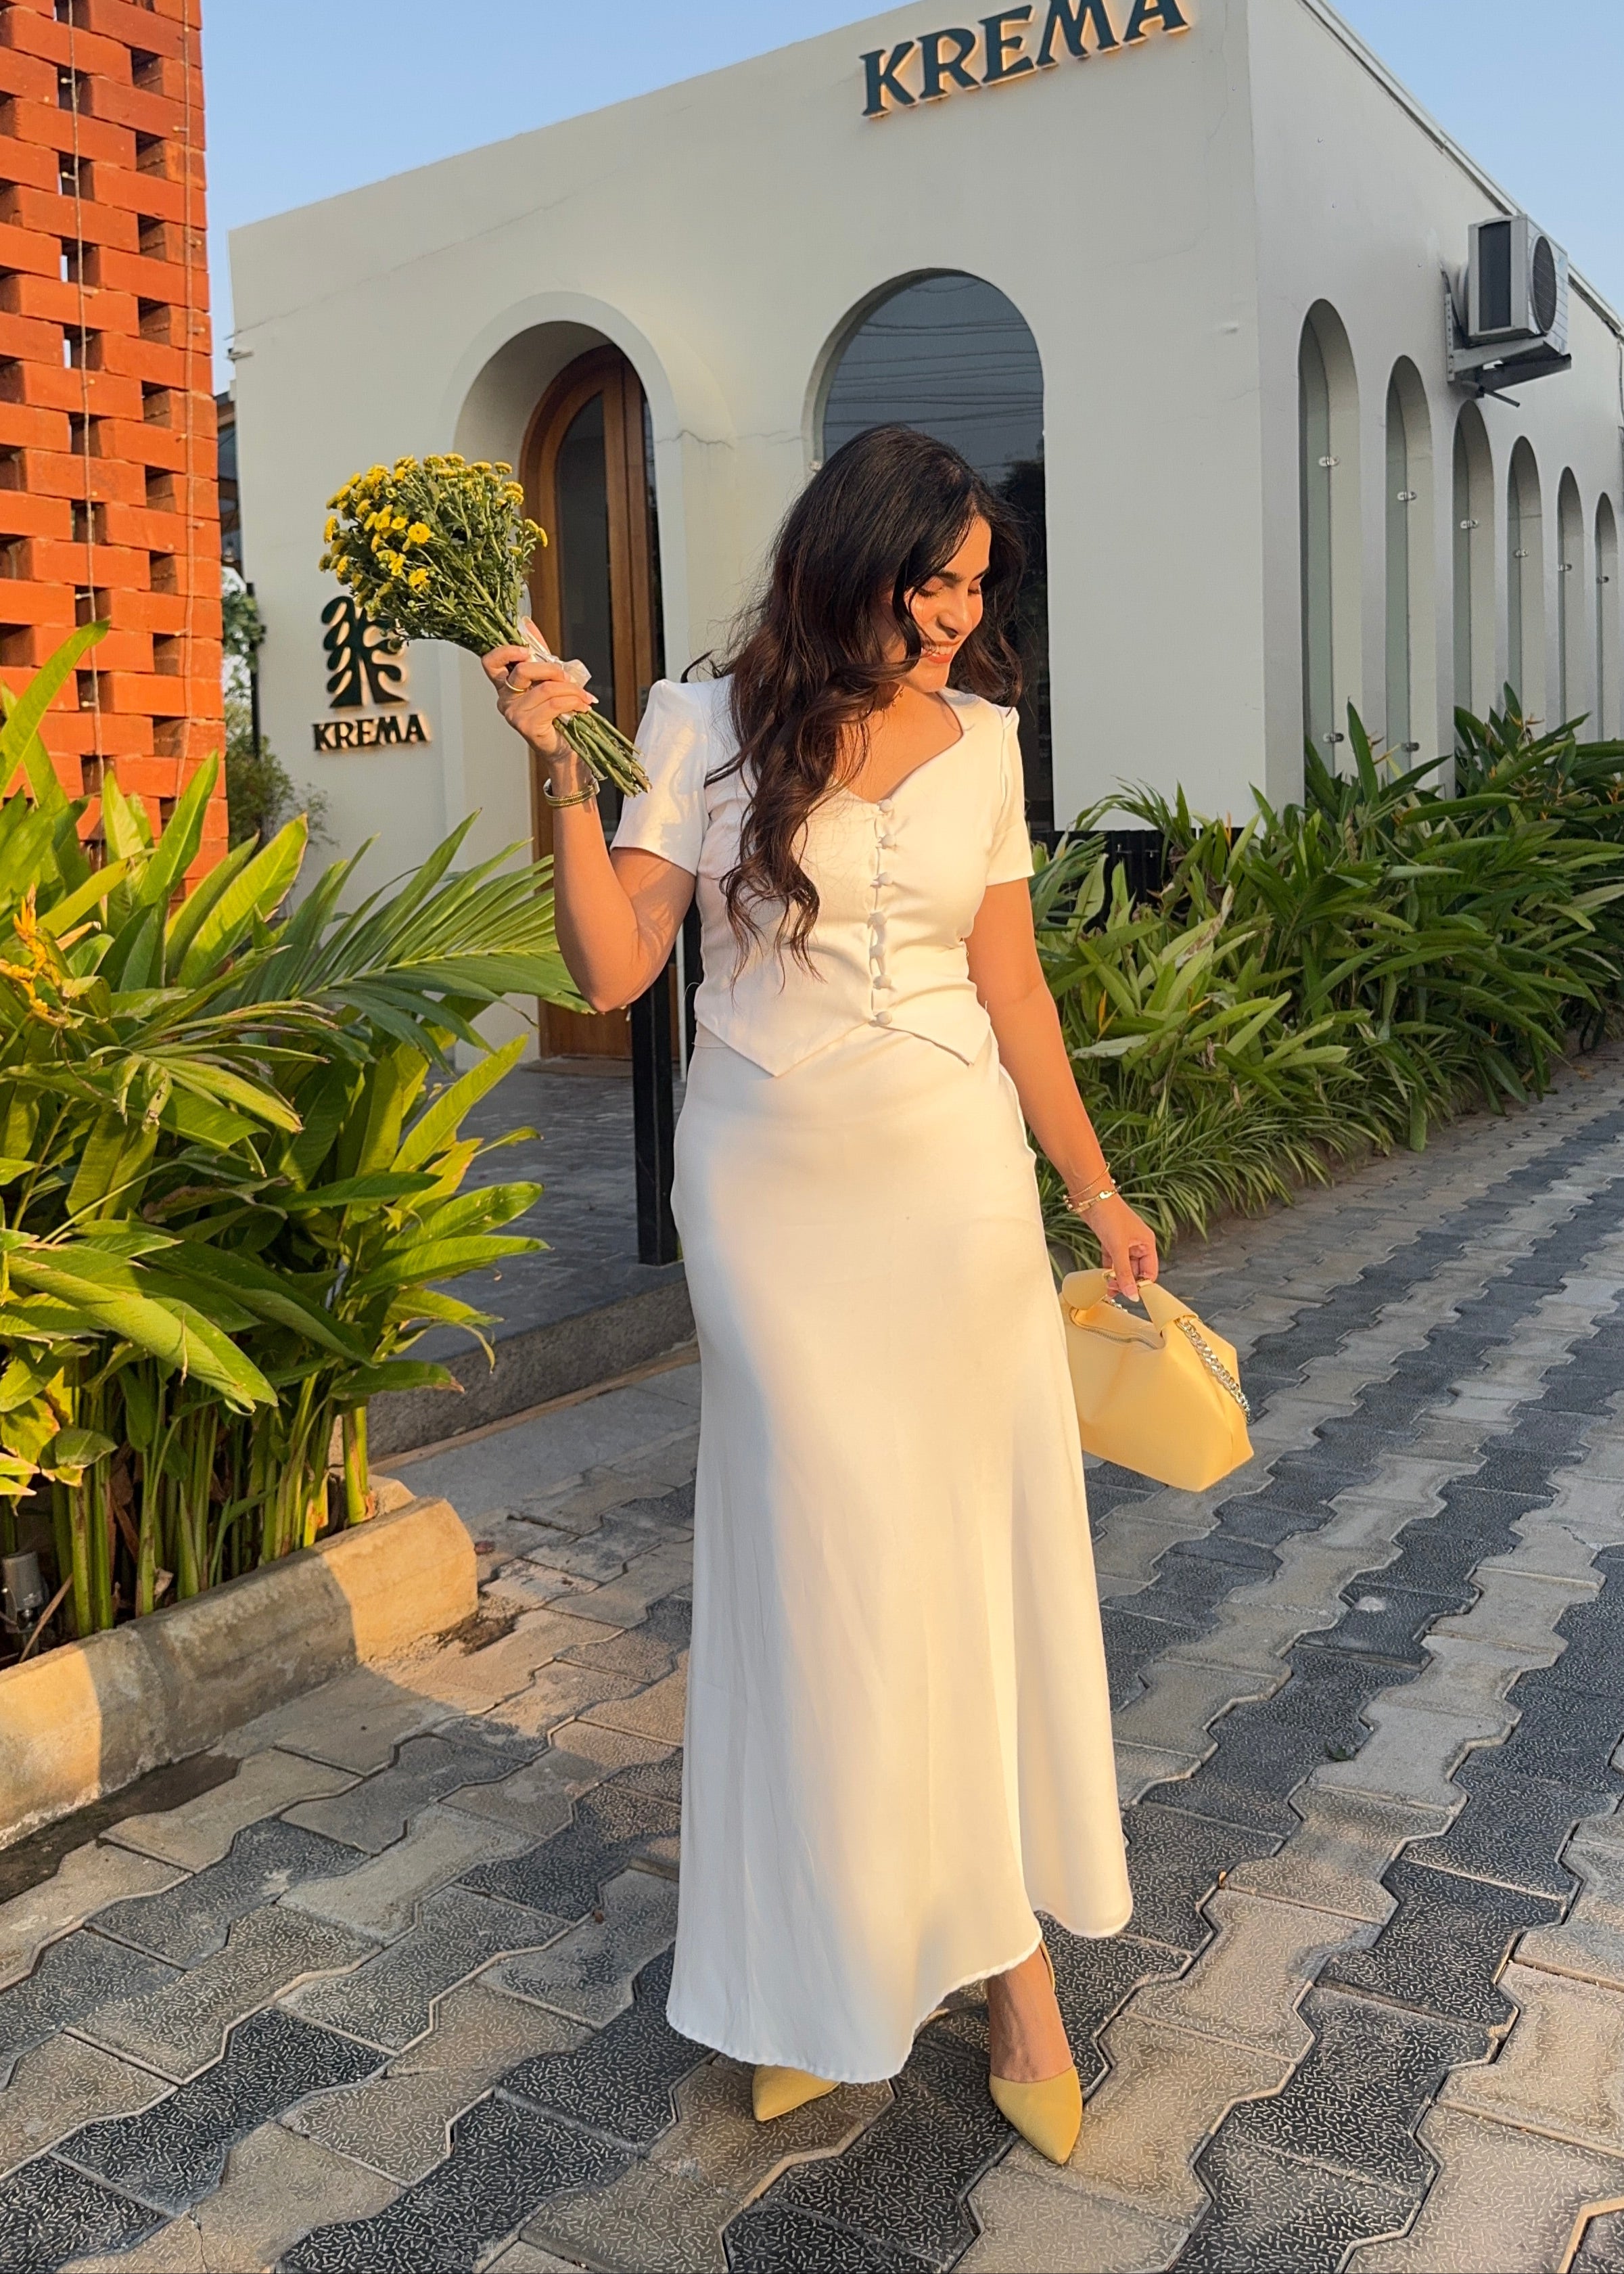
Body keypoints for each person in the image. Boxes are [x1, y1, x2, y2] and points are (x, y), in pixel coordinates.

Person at [484, 425, 1157, 2166]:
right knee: (823, 1587)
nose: (954, 617)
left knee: (968, 1572)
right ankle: (816, 1970)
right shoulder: (698, 724)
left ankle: (1013, 1974)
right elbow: (614, 966)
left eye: (976, 587)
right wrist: (559, 770)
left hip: (952, 1200)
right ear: (848, 558)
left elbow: (1014, 989)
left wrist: (1095, 1189)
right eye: (931, 582)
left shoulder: (985, 739)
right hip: (773, 1200)